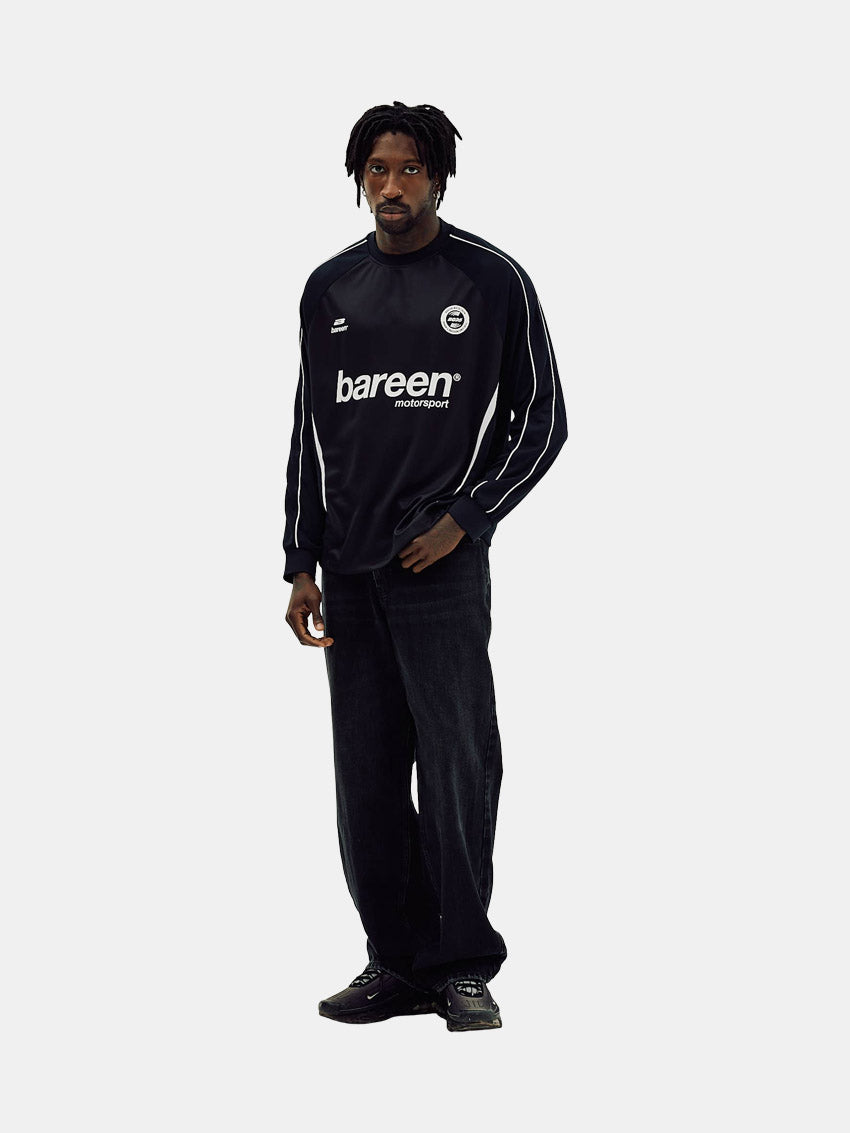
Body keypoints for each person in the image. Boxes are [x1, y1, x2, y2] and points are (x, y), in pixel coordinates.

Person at [282, 100, 568, 1032]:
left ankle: (462, 965)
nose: (393, 185)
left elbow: (544, 419)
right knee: (365, 780)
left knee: (455, 766)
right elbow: (308, 433)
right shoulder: (330, 288)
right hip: (349, 572)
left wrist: (466, 518)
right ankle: (395, 960)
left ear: (439, 178)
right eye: (377, 169)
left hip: (437, 571)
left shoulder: (490, 280)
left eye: (410, 169)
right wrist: (299, 559)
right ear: (359, 179)